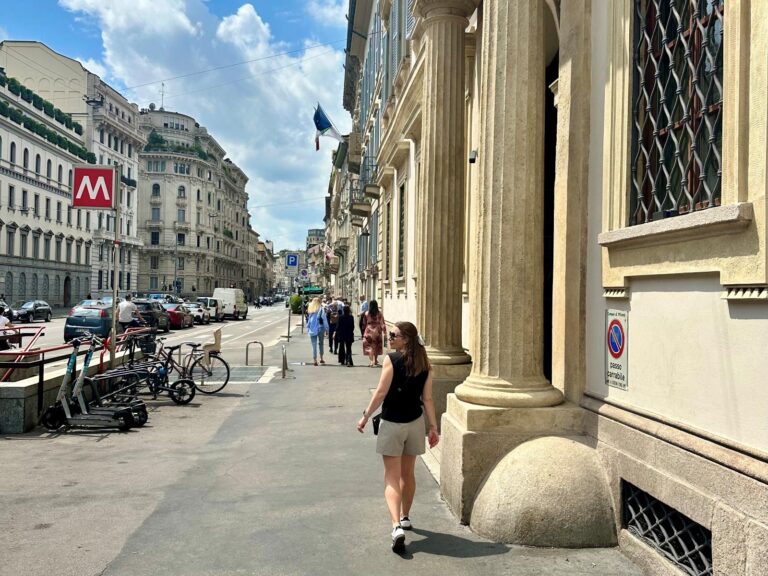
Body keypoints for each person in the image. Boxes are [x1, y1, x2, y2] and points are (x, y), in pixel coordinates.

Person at [356, 322, 438, 553]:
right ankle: (405, 517)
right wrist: (433, 427)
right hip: (415, 423)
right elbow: (428, 399)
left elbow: (381, 392)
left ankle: (395, 527)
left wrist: (364, 417)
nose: (389, 338)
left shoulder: (391, 360)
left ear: (406, 339)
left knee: (392, 477)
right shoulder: (426, 364)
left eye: (394, 335)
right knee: (408, 473)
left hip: (392, 423)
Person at [362, 300, 386, 367]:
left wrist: (363, 331)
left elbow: (364, 323)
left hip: (369, 330)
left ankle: (371, 361)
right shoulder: (379, 313)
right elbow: (382, 323)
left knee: (369, 346)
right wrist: (384, 331)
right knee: (377, 346)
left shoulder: (367, 313)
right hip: (377, 331)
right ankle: (375, 360)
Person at [306, 297, 328, 366]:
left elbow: (309, 320)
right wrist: (327, 329)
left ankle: (315, 360)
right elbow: (324, 320)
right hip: (320, 328)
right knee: (321, 343)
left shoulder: (311, 309)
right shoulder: (321, 309)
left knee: (314, 345)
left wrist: (308, 328)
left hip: (312, 329)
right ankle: (321, 358)